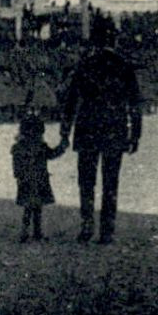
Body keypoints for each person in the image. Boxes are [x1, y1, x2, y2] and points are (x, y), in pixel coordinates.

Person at [59, 24, 143, 245]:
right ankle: (107, 229)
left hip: (87, 127)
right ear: (114, 42)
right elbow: (135, 103)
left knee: (86, 180)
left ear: (94, 43)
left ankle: (87, 224)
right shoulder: (124, 67)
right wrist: (136, 134)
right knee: (110, 182)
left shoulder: (85, 65)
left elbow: (70, 102)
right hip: (114, 128)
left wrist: (64, 131)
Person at [11, 112, 67, 242]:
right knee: (36, 209)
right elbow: (52, 154)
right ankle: (36, 232)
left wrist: (19, 176)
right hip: (39, 180)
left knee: (29, 208)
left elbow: (16, 165)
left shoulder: (19, 147)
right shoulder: (40, 146)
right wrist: (62, 147)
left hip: (26, 181)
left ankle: (26, 232)